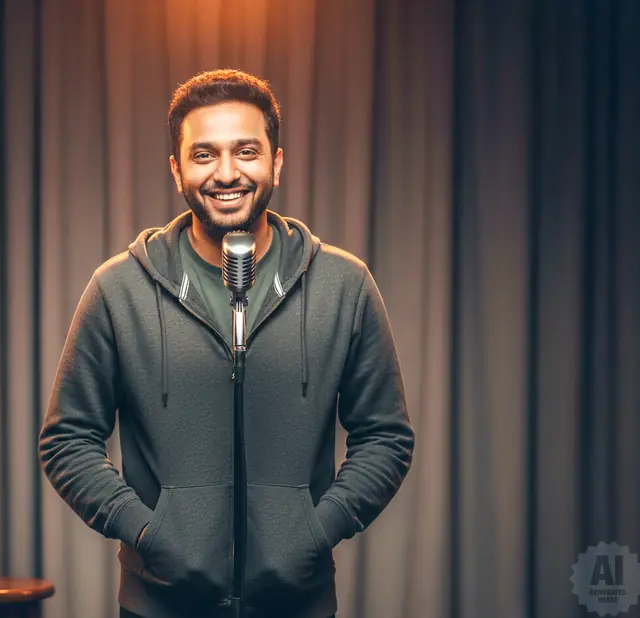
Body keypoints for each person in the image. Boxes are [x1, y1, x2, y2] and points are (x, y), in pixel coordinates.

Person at [39, 69, 415, 618]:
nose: (227, 173)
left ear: (276, 162)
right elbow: (66, 439)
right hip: (158, 605)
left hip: (299, 604)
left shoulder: (344, 285)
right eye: (204, 155)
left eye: (246, 151)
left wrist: (316, 530)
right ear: (176, 169)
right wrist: (147, 529)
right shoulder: (119, 288)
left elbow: (386, 436)